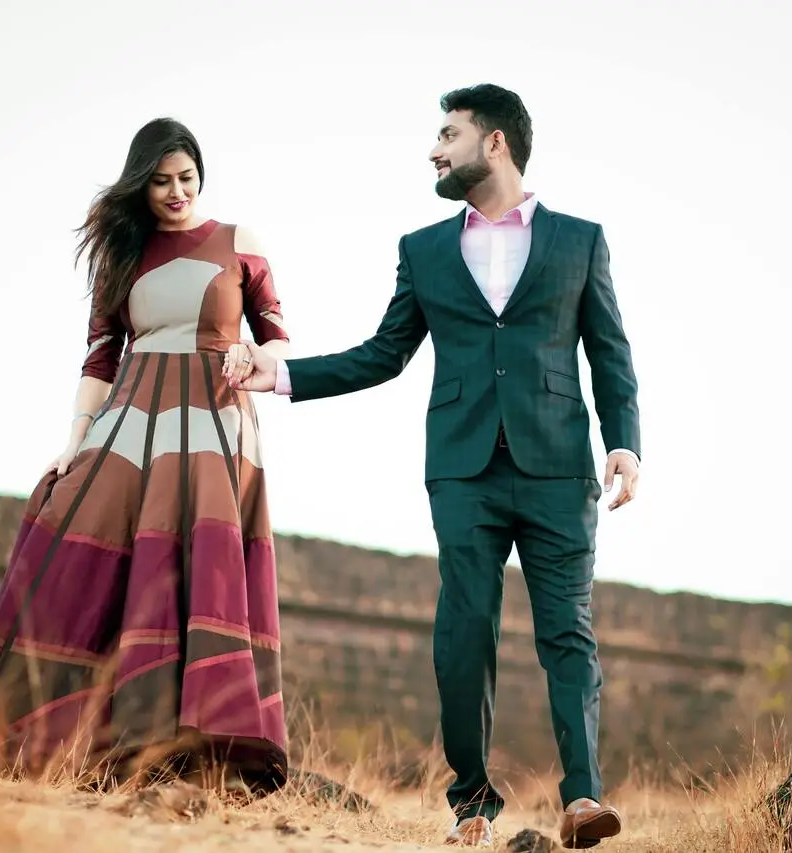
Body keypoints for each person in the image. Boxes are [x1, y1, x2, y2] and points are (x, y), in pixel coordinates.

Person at [229, 84, 641, 848]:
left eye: (447, 133)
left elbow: (610, 354)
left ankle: (583, 798)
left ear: (495, 143)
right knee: (463, 631)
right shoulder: (422, 249)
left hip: (559, 466)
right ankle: (472, 805)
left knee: (568, 634)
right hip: (462, 469)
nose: (433, 148)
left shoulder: (581, 240)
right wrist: (278, 374)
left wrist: (624, 440)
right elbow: (383, 354)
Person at [0, 117, 292, 794]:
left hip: (214, 423)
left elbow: (278, 336)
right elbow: (101, 356)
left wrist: (256, 356)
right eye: (161, 180)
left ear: (201, 177)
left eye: (186, 178)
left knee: (199, 571)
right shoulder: (124, 253)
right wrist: (74, 443)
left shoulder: (239, 243)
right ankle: (97, 741)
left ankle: (202, 750)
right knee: (82, 539)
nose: (175, 191)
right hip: (131, 420)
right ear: (142, 183)